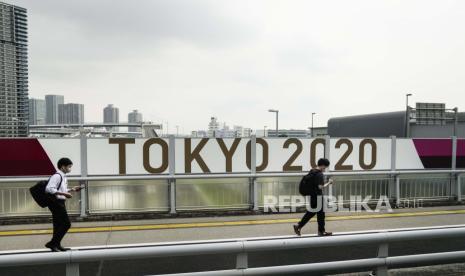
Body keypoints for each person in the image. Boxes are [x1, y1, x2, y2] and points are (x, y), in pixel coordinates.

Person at [44, 158, 83, 252]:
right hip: (56, 203)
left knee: (58, 225)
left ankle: (56, 245)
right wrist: (65, 194)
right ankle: (52, 243)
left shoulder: (63, 176)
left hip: (60, 202)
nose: (70, 169)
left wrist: (72, 190)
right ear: (63, 167)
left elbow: (60, 190)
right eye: (69, 167)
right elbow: (49, 189)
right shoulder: (57, 176)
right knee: (66, 224)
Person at [293, 158, 334, 236]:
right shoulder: (319, 174)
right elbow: (320, 187)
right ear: (322, 165)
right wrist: (329, 182)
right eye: (325, 167)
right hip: (317, 196)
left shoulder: (312, 171)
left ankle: (298, 226)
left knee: (311, 213)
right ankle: (321, 231)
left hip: (312, 196)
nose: (325, 169)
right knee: (321, 214)